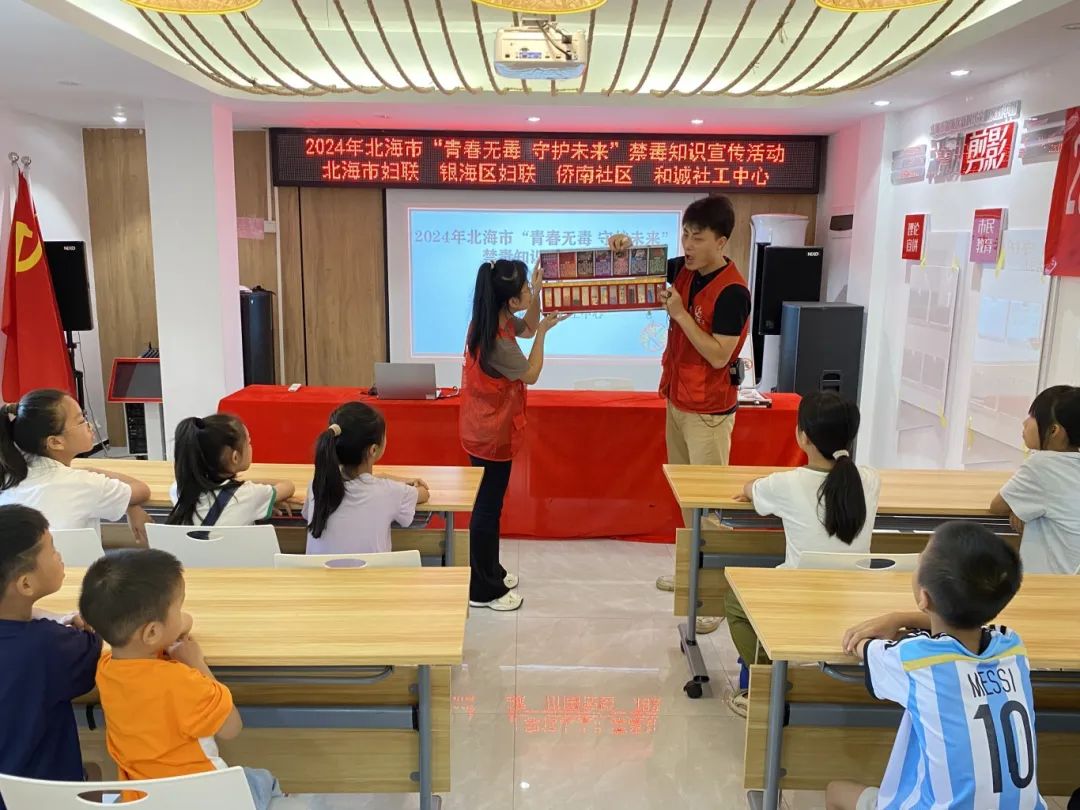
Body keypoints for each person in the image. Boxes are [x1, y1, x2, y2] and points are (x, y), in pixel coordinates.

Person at [829, 522, 1043, 810]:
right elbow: (967, 628)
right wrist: (905, 616)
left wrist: (895, 619)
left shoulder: (916, 659)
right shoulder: (1013, 646)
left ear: (924, 597)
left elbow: (861, 645)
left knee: (836, 791)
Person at [612, 195, 751, 635]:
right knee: (687, 499)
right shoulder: (682, 270)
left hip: (709, 412)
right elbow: (639, 268)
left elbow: (718, 355)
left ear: (721, 242)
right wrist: (623, 246)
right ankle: (690, 573)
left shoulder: (733, 292)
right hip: (677, 400)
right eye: (685, 235)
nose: (687, 245)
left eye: (698, 237)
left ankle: (712, 597)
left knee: (710, 506)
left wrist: (680, 315)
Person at [79, 549, 298, 809]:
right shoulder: (180, 680)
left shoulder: (106, 668)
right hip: (204, 797)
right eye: (179, 605)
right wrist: (197, 662)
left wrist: (171, 625)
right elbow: (231, 728)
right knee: (262, 780)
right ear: (152, 632)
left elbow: (181, 623)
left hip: (146, 799)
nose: (183, 613)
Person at [725, 391, 880, 716]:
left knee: (733, 600)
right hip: (856, 595)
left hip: (800, 597)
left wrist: (751, 487)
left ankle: (771, 680)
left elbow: (751, 489)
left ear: (803, 436)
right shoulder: (869, 480)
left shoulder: (787, 483)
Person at [460, 258, 568, 611]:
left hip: (486, 429)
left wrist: (537, 294)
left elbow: (528, 326)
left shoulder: (495, 317)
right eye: (525, 289)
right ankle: (482, 589)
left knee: (491, 507)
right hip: (490, 436)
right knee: (487, 510)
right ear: (510, 300)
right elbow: (532, 373)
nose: (529, 293)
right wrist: (545, 333)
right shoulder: (498, 342)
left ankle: (491, 570)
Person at [0, 504, 101, 809]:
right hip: (47, 799)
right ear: (25, 584)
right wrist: (85, 623)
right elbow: (95, 641)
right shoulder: (48, 645)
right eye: (52, 549)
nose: (59, 555)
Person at [0, 389, 153, 544]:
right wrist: (92, 472)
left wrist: (127, 504)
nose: (89, 425)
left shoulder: (9, 477)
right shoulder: (85, 483)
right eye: (81, 421)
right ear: (55, 442)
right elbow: (142, 490)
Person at [304, 402, 430, 554]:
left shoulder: (317, 486)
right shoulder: (389, 491)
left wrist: (382, 478)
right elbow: (424, 493)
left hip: (318, 570)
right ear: (374, 450)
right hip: (375, 571)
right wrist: (397, 481)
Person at [990, 385, 1080, 574]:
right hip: (1071, 582)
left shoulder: (1042, 465)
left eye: (1033, 416)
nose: (1025, 423)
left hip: (1048, 583)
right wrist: (1027, 506)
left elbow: (997, 507)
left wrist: (1022, 507)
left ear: (1054, 430)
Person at [167, 414, 297, 527]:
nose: (251, 446)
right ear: (235, 458)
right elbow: (288, 486)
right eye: (248, 442)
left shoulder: (179, 489)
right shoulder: (250, 494)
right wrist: (262, 499)